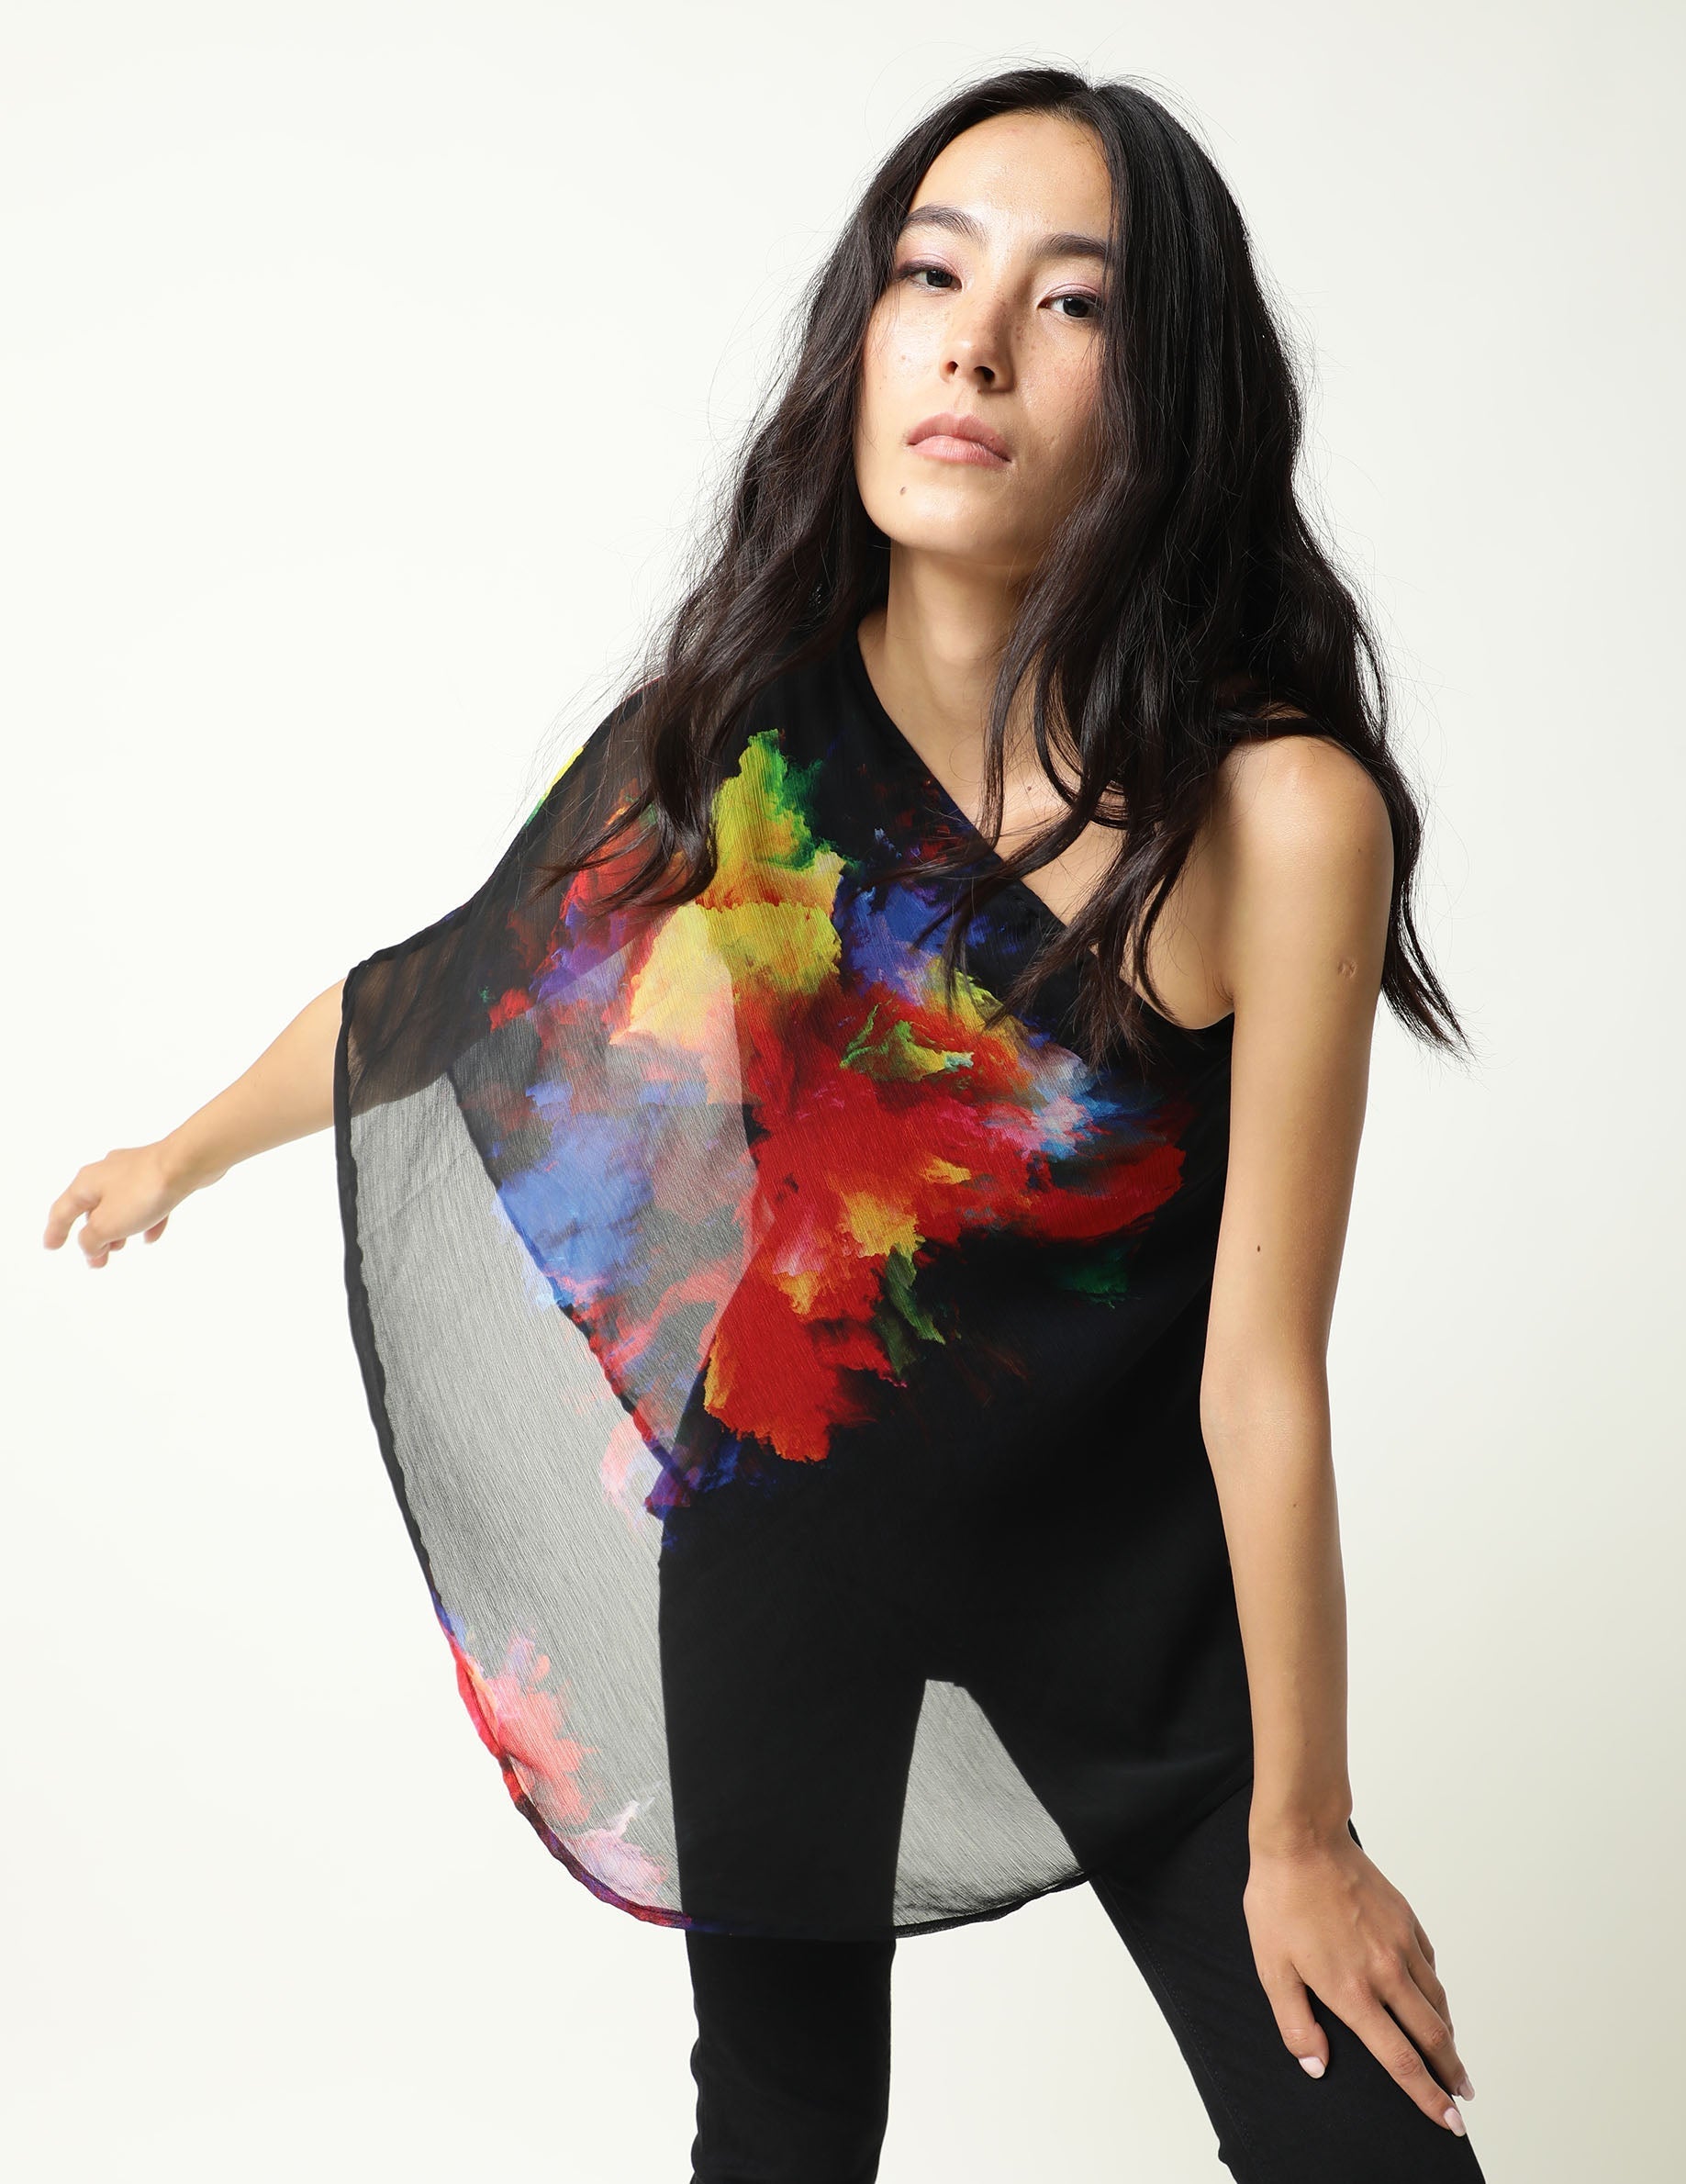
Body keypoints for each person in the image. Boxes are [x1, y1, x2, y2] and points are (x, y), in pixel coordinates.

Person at [42, 63, 1488, 2184]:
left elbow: (1261, 1373)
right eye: (933, 275)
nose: (976, 344)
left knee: (1372, 2151)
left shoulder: (1279, 815)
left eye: (1071, 302)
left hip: (1134, 1589)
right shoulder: (731, 740)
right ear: (864, 337)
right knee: (785, 2129)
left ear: (1166, 398)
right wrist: (181, 1148)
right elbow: (437, 993)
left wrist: (1308, 1829)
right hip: (787, 1529)